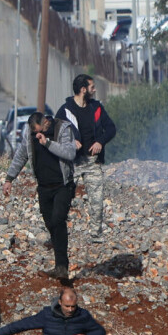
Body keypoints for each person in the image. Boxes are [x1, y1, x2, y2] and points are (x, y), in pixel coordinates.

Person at [3, 111, 76, 279]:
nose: (37, 135)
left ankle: (62, 266)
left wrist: (48, 143)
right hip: (43, 187)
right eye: (34, 132)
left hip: (62, 185)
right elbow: (21, 155)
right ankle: (60, 266)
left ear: (46, 123)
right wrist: (9, 179)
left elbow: (70, 153)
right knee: (50, 223)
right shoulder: (30, 134)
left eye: (38, 131)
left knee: (58, 220)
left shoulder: (62, 128)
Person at [55, 74, 116, 243]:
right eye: (92, 87)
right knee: (63, 198)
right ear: (83, 90)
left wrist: (100, 142)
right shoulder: (65, 110)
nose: (95, 90)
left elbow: (111, 128)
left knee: (97, 199)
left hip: (92, 161)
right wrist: (70, 141)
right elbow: (55, 134)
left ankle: (96, 235)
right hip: (72, 163)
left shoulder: (96, 108)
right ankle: (58, 233)